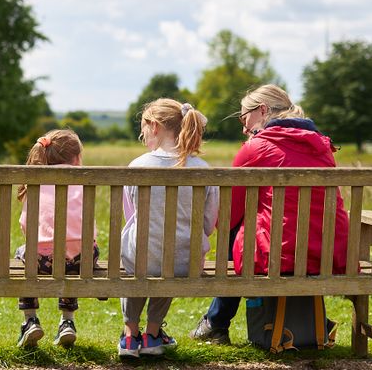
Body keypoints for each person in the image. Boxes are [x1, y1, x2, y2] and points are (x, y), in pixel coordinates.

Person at [190, 84, 350, 345]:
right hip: (328, 253)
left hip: (279, 256)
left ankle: (216, 323)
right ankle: (314, 322)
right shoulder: (323, 147)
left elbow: (228, 217)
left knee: (237, 229)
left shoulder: (255, 148)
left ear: (262, 110)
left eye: (244, 118)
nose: (244, 127)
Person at [118, 99, 219, 359]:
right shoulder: (202, 169)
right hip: (185, 264)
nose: (143, 136)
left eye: (144, 130)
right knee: (171, 254)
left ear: (154, 126)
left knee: (141, 253)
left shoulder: (138, 166)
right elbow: (208, 224)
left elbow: (130, 216)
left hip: (142, 258)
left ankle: (130, 336)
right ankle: (152, 335)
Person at [14, 129, 97, 349]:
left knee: (24, 254)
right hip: (82, 260)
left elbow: (25, 225)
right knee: (72, 256)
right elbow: (92, 228)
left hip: (42, 262)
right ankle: (67, 322)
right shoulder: (83, 182)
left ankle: (30, 320)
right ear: (77, 158)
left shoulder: (35, 183)